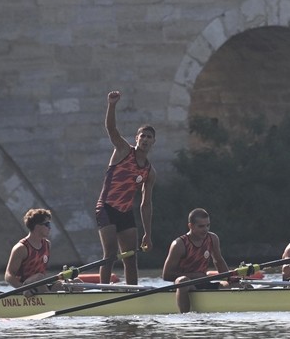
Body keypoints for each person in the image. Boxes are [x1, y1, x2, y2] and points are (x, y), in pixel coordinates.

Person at [93, 90, 156, 285]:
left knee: (131, 256)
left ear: (153, 142)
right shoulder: (123, 150)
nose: (145, 139)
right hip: (106, 208)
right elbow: (111, 129)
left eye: (149, 137)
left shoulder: (149, 172)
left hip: (125, 212)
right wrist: (112, 105)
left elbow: (145, 205)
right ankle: (103, 291)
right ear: (136, 138)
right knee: (110, 253)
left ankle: (132, 292)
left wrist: (148, 233)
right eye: (142, 136)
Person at [161, 208, 230, 312]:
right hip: (186, 285)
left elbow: (218, 261)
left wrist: (230, 279)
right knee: (182, 281)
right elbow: (166, 275)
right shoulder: (179, 244)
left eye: (208, 225)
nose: (205, 229)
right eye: (201, 226)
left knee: (236, 285)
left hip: (203, 282)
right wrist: (194, 276)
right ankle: (186, 318)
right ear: (190, 226)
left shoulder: (212, 238)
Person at [4, 208, 54, 295]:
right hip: (26, 289)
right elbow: (8, 276)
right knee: (39, 277)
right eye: (47, 224)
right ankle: (50, 301)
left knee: (71, 283)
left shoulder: (47, 245)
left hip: (40, 285)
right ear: (37, 226)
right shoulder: (21, 248)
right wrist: (23, 289)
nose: (50, 228)